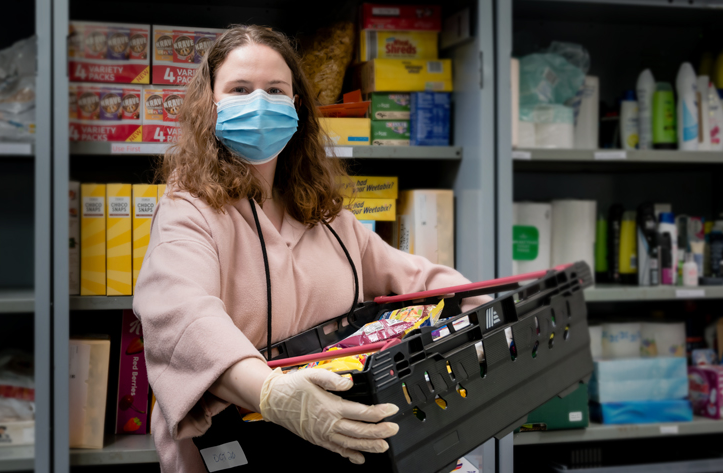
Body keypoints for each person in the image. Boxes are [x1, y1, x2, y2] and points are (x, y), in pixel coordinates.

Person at [133, 25, 490, 473]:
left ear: (296, 105)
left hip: (339, 444)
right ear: (210, 103)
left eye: (275, 90)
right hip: (237, 452)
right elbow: (184, 317)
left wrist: (491, 315)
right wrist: (272, 394)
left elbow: (415, 279)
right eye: (240, 89)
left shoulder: (322, 212)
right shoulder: (188, 210)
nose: (259, 103)